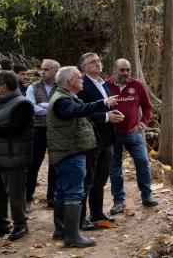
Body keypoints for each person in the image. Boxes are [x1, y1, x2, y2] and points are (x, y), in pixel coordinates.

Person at [47, 66, 117, 247]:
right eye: (79, 78)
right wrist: (103, 102)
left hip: (70, 152)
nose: (83, 81)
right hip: (70, 153)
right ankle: (72, 236)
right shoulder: (62, 100)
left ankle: (61, 231)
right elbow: (77, 111)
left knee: (63, 192)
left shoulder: (66, 97)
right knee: (73, 193)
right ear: (70, 81)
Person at [76, 53, 122, 230]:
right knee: (87, 178)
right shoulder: (81, 85)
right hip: (91, 139)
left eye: (99, 61)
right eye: (93, 62)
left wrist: (115, 115)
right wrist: (105, 117)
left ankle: (97, 213)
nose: (98, 63)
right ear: (84, 67)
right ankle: (80, 218)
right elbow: (81, 112)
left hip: (108, 138)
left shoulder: (103, 83)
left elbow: (107, 106)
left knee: (101, 178)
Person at [107, 59, 157, 215]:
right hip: (111, 134)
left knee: (143, 162)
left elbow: (148, 107)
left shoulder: (137, 85)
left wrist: (142, 124)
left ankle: (147, 196)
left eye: (128, 70)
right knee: (114, 168)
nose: (126, 73)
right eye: (122, 70)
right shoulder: (106, 86)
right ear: (114, 69)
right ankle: (119, 201)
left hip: (132, 133)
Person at [0, 71, 34, 240]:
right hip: (1, 155)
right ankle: (1, 224)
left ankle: (21, 224)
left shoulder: (22, 104)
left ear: (3, 87)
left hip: (14, 156)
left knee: (15, 193)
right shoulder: (0, 102)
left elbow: (15, 128)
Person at [25, 59, 60, 206]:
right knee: (33, 164)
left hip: (56, 131)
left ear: (55, 72)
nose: (42, 72)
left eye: (46, 69)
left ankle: (52, 195)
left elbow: (62, 107)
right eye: (42, 69)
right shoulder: (33, 87)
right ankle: (27, 195)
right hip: (38, 130)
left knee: (55, 164)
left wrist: (43, 106)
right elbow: (30, 107)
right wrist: (52, 108)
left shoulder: (61, 87)